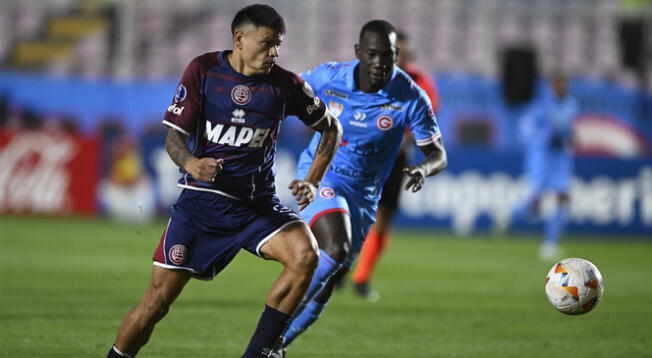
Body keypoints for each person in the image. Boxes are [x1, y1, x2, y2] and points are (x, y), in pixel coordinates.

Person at [105, 5, 342, 358]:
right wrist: (191, 162)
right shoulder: (203, 70)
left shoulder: (286, 85)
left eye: (278, 44)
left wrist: (311, 180)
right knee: (155, 305)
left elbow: (331, 129)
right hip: (201, 206)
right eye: (267, 43)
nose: (274, 52)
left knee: (305, 255)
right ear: (239, 39)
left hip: (256, 207)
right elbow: (173, 138)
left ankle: (262, 351)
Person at [272, 20, 447, 355]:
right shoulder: (329, 77)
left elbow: (438, 153)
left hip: (365, 195)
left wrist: (424, 168)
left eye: (388, 55)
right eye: (373, 54)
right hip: (322, 177)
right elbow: (284, 94)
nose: (381, 62)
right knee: (336, 247)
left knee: (328, 282)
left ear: (397, 55)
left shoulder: (410, 95)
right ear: (358, 53)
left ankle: (278, 345)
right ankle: (271, 324)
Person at [350, 30, 440, 301]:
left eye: (405, 52)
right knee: (351, 215)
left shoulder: (420, 81)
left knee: (384, 218)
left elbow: (428, 118)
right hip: (361, 155)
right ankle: (339, 265)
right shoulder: (367, 76)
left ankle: (361, 277)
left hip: (396, 159)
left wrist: (404, 134)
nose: (401, 58)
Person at [511, 71, 578, 261]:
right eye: (558, 83)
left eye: (564, 83)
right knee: (535, 203)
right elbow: (526, 129)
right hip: (542, 157)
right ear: (552, 85)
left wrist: (570, 136)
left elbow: (568, 128)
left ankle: (550, 243)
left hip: (561, 159)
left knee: (563, 196)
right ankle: (511, 215)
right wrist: (544, 138)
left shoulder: (571, 104)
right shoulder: (541, 105)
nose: (562, 87)